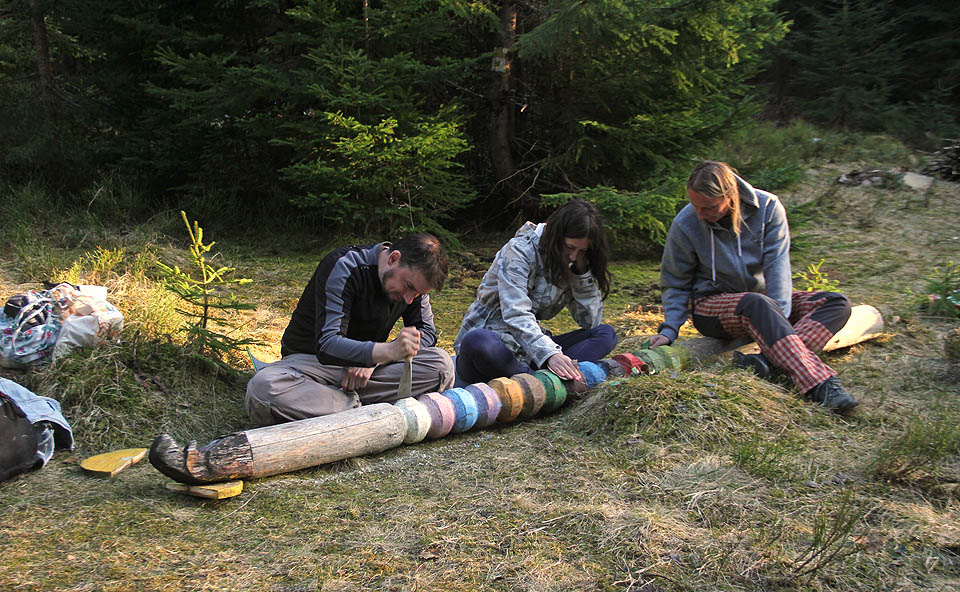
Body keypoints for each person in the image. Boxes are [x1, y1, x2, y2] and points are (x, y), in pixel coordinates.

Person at [648, 161, 858, 412]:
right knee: (757, 304)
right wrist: (670, 328)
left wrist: (778, 315)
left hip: (763, 302)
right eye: (696, 206)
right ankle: (820, 384)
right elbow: (675, 280)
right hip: (712, 306)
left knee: (836, 302)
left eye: (709, 207)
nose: (701, 214)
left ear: (730, 195)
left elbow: (777, 267)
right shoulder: (686, 223)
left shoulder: (768, 208)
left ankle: (764, 361)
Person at [245, 234, 455, 425]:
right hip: (313, 367)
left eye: (417, 294)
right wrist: (383, 352)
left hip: (368, 373)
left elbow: (426, 332)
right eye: (409, 287)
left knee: (441, 366)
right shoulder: (345, 265)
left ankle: (334, 408)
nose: (410, 299)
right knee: (264, 388)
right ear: (393, 258)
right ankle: (363, 412)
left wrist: (379, 358)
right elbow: (327, 345)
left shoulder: (414, 283)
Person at [454, 199, 618, 384]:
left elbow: (590, 321)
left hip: (528, 353)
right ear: (556, 237)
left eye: (582, 251)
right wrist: (550, 354)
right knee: (478, 340)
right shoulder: (518, 251)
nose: (574, 256)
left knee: (605, 334)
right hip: (494, 348)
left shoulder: (574, 262)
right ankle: (542, 383)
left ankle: (544, 381)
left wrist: (581, 273)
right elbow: (516, 313)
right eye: (570, 247)